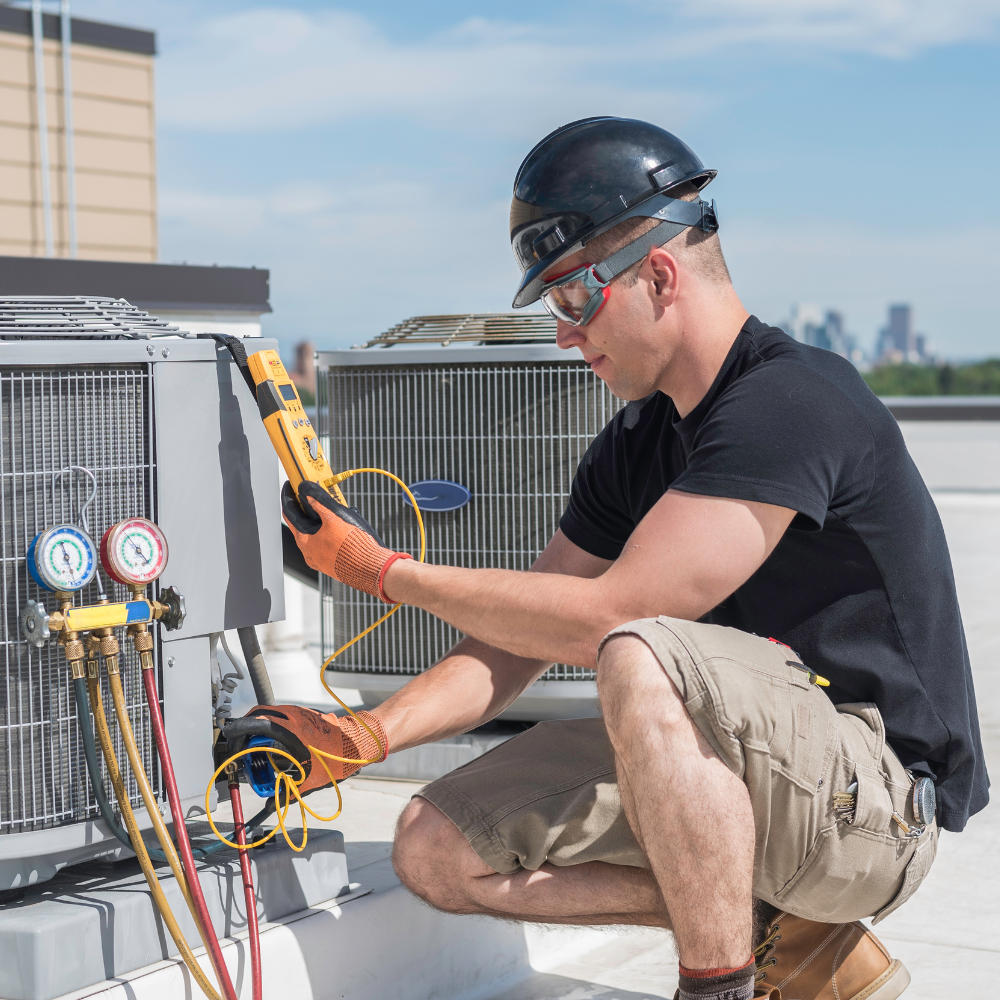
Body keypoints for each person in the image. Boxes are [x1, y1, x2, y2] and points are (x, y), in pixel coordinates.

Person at [240, 118, 989, 1000]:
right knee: (435, 848)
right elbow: (523, 633)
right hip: (756, 775)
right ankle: (784, 938)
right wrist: (367, 734)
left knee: (637, 652)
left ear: (658, 276)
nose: (564, 337)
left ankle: (717, 988)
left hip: (876, 807)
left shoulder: (793, 402)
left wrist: (380, 571)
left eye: (568, 301)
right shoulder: (636, 441)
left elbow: (608, 616)